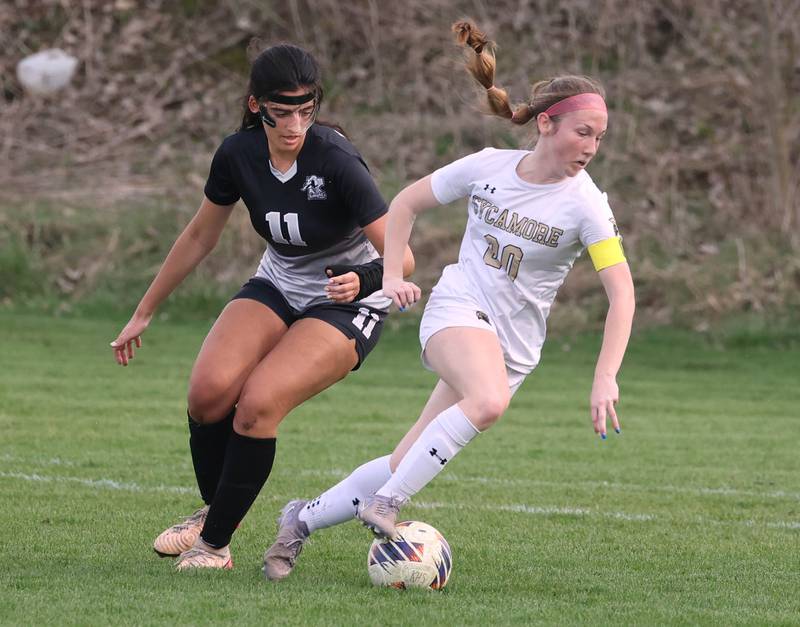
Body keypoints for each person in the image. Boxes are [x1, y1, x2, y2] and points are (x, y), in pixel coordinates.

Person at [262, 19, 635, 581]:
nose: (591, 147)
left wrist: (606, 374)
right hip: (456, 311)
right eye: (582, 132)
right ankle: (388, 506)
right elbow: (406, 204)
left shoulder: (586, 206)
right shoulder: (488, 167)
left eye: (600, 137)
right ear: (546, 124)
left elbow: (621, 294)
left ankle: (300, 520)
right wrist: (389, 278)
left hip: (513, 348)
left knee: (401, 461)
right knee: (485, 403)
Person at [109, 43, 414, 571]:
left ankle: (214, 545)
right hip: (278, 281)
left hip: (348, 300)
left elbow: (402, 256)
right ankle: (217, 515)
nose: (295, 124)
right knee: (207, 395)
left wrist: (362, 278)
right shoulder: (238, 154)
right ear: (256, 106)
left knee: (258, 405)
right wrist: (145, 309)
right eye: (282, 112)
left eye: (306, 110)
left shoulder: (335, 158)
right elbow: (201, 235)